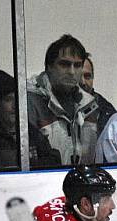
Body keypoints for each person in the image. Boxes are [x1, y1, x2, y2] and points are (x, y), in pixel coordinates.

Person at [27, 34, 101, 166]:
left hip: (81, 183)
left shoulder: (90, 105)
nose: (72, 72)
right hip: (42, 183)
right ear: (49, 66)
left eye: (77, 65)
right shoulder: (30, 101)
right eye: (65, 64)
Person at [0, 69, 59, 170]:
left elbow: (53, 161)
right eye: (8, 99)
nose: (15, 106)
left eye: (18, 99)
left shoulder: (30, 132)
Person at [81, 54, 116, 138]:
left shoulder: (106, 111)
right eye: (78, 76)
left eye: (87, 76)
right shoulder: (56, 107)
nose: (82, 82)